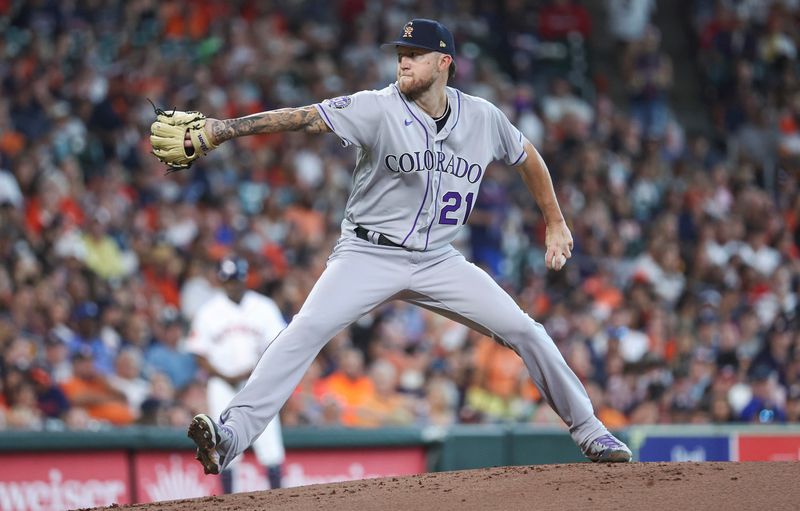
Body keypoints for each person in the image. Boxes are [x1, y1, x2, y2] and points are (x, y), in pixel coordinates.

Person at [152, 18, 632, 476]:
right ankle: (230, 436)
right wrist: (222, 129)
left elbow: (527, 156)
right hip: (367, 254)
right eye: (400, 55)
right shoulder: (376, 106)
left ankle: (590, 431)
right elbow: (302, 119)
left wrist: (555, 219)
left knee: (525, 331)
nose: (403, 63)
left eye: (414, 55)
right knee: (304, 331)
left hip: (439, 259)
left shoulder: (483, 118)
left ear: (444, 62)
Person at [185, 255, 287, 491]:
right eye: (229, 280)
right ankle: (229, 502)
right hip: (221, 384)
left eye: (236, 279)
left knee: (269, 441)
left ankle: (281, 499)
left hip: (257, 382)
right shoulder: (209, 310)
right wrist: (225, 375)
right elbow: (199, 353)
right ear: (221, 281)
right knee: (222, 442)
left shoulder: (263, 306)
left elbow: (278, 345)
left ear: (244, 279)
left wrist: (254, 372)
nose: (233, 284)